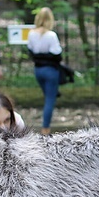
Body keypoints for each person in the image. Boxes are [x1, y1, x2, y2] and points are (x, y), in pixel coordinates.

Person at [27, 7, 63, 136]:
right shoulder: (51, 35)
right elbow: (57, 53)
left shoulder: (31, 33)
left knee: (47, 97)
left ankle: (45, 127)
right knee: (49, 99)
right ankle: (45, 129)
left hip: (38, 70)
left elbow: (30, 50)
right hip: (50, 71)